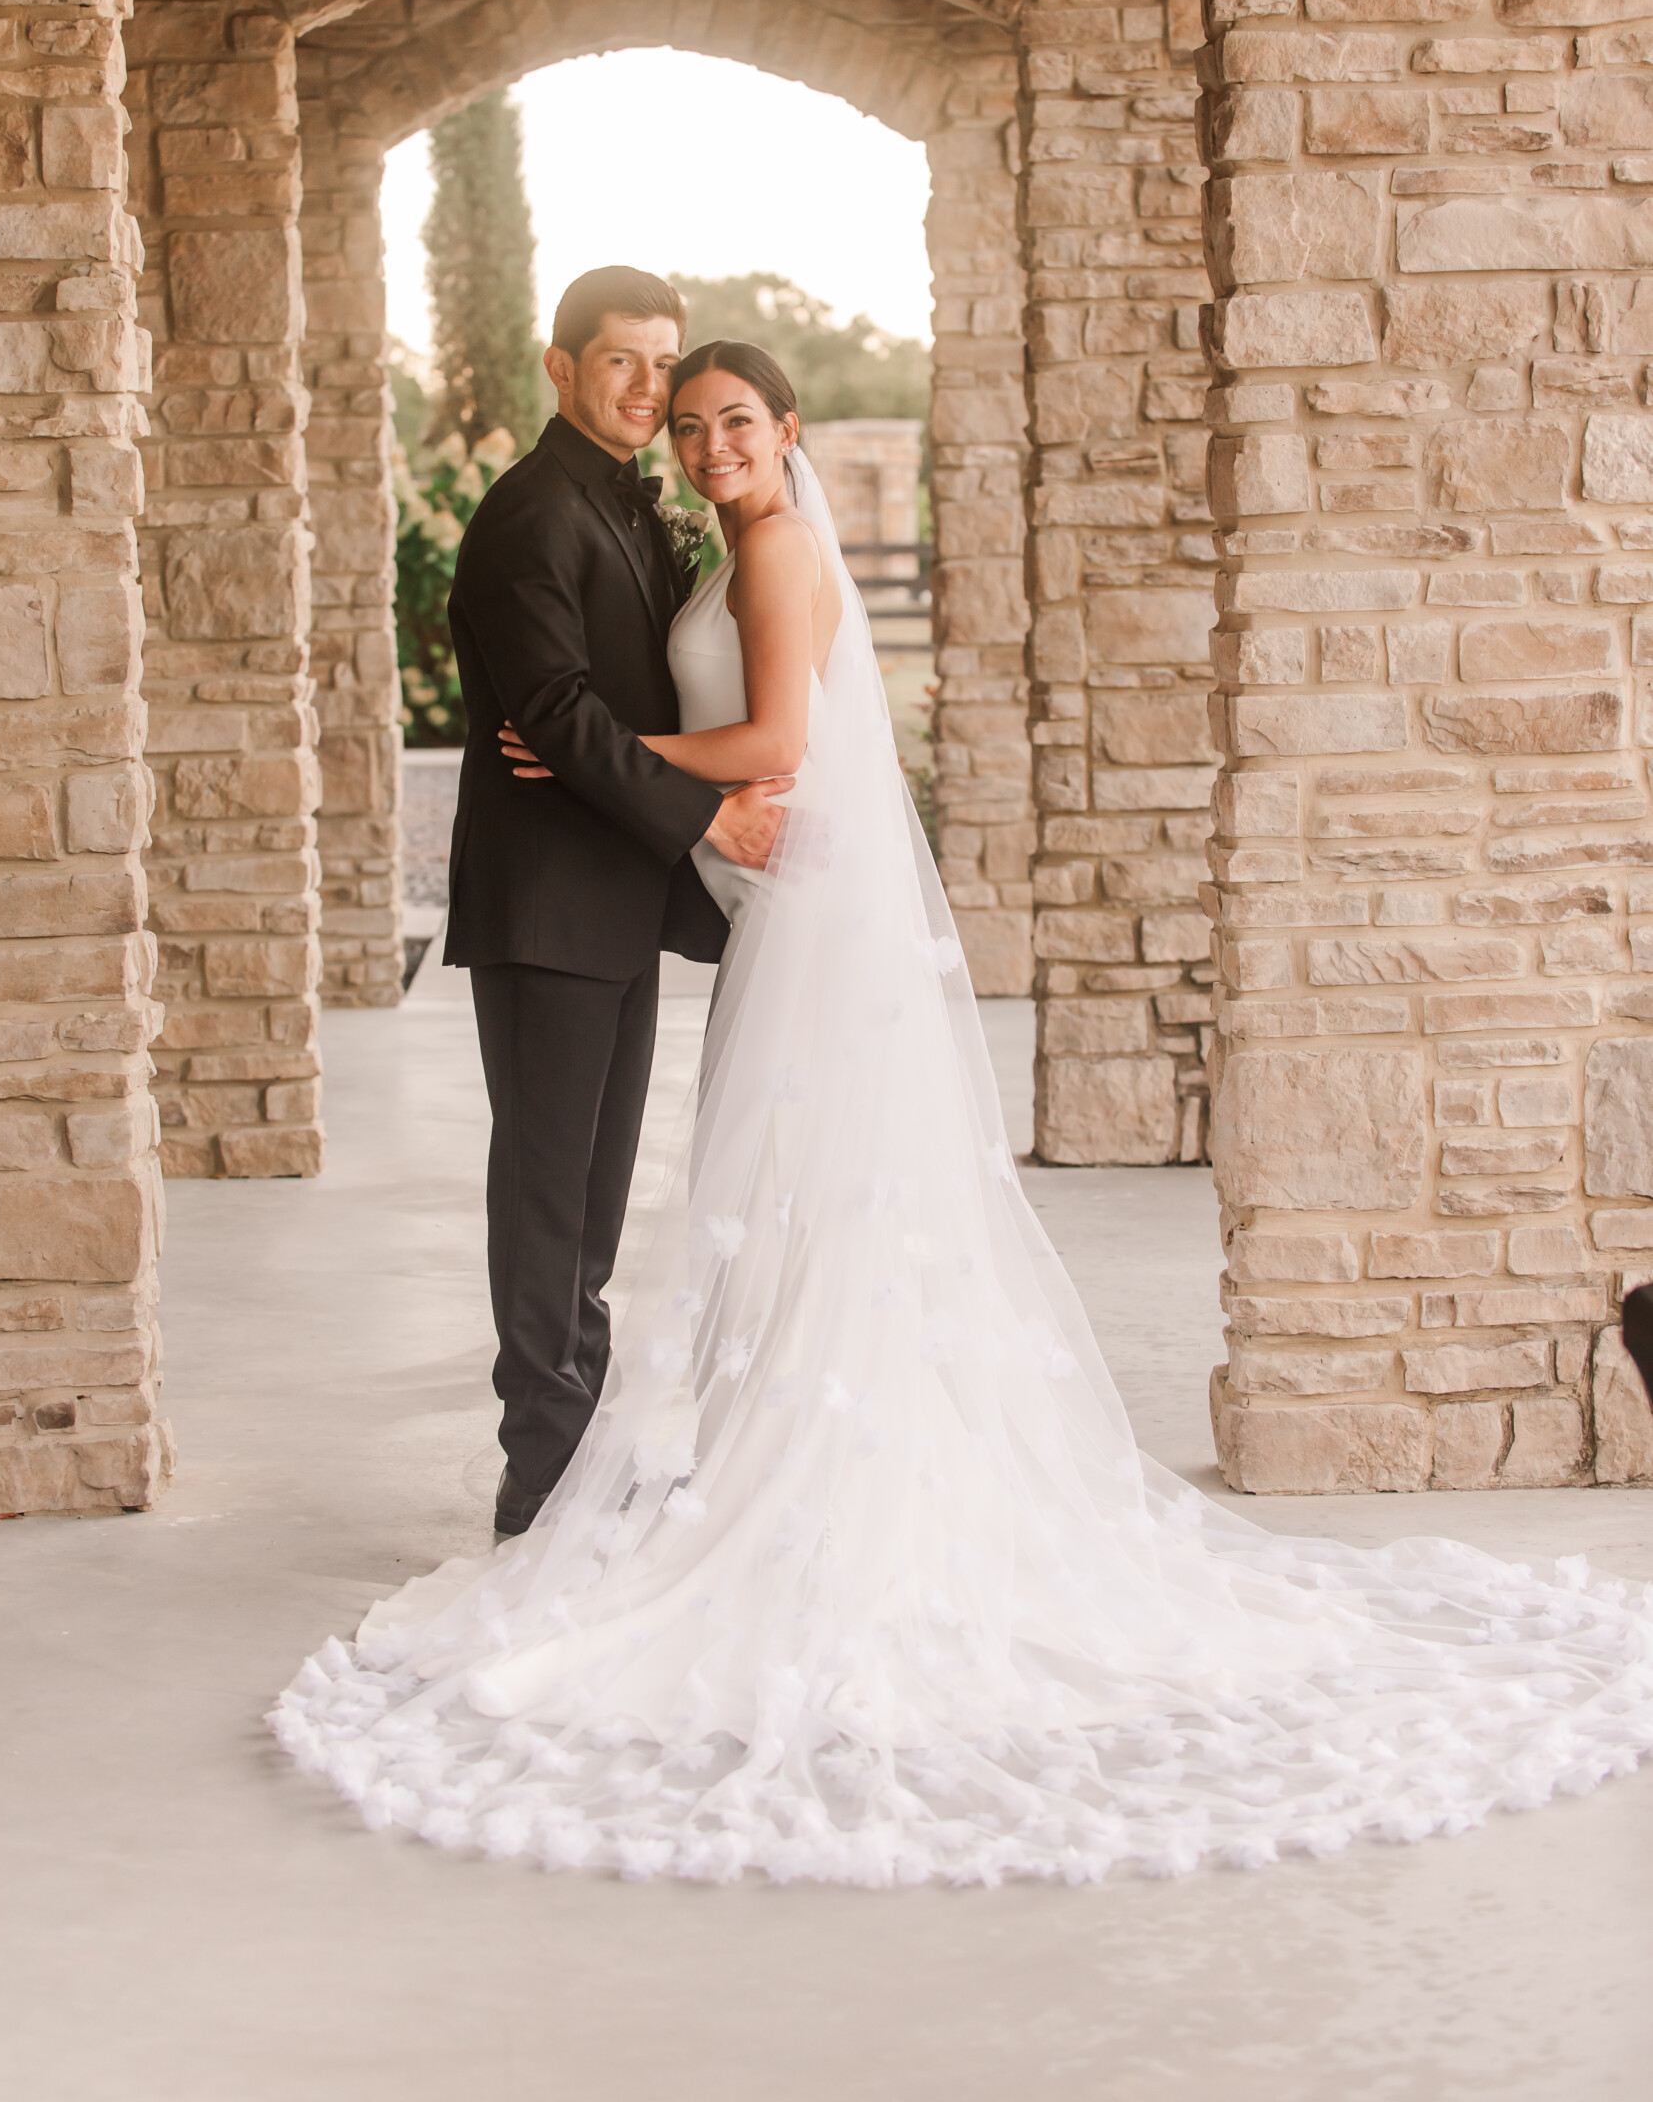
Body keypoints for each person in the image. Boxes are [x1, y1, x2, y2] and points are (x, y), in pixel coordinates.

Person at [276, 344, 1653, 1888]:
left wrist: (603, 757)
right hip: (781, 930)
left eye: (733, 417)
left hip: (805, 933)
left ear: (786, 433)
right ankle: (756, 1458)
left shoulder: (781, 548)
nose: (709, 437)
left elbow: (781, 752)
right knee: (775, 1201)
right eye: (687, 420)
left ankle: (815, 1483)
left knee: (801, 1188)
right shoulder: (709, 543)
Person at [438, 273, 791, 1542]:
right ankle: (540, 1472)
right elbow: (562, 718)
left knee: (589, 1195)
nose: (648, 388)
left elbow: (607, 715)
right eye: (620, 363)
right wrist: (708, 815)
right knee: (546, 1188)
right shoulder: (531, 515)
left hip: (611, 904)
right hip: (544, 910)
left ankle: (578, 1449)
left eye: (661, 363)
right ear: (559, 365)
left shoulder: (627, 503)